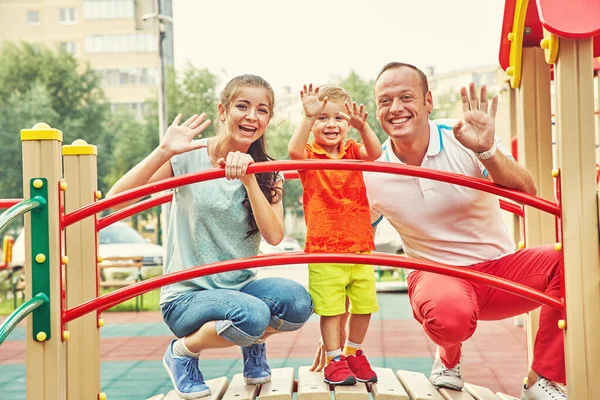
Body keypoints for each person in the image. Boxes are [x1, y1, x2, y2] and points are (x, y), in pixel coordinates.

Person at [361, 62, 565, 400]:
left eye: (405, 97)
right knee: (450, 315)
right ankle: (449, 357)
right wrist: (337, 338)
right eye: (384, 101)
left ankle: (542, 377)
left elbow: (527, 189)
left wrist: (486, 151)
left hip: (499, 271)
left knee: (571, 260)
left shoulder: (463, 138)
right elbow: (352, 235)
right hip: (437, 275)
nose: (395, 108)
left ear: (428, 101)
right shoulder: (374, 172)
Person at [107, 74, 313, 399]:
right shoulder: (188, 156)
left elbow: (274, 236)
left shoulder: (266, 170)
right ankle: (182, 354)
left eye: (261, 110)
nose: (251, 116)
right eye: (242, 106)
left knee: (300, 303)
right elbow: (117, 199)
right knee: (254, 315)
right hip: (187, 295)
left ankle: (254, 342)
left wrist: (249, 181)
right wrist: (163, 151)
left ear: (268, 119)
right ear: (223, 110)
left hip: (242, 287)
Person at [288, 84, 382, 385]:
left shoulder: (353, 149)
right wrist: (306, 116)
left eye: (339, 118)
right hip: (324, 248)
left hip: (360, 246)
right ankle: (333, 357)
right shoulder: (309, 154)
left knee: (365, 305)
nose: (330, 125)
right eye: (322, 119)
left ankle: (353, 351)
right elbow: (291, 151)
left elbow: (376, 153)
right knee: (330, 309)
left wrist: (364, 127)